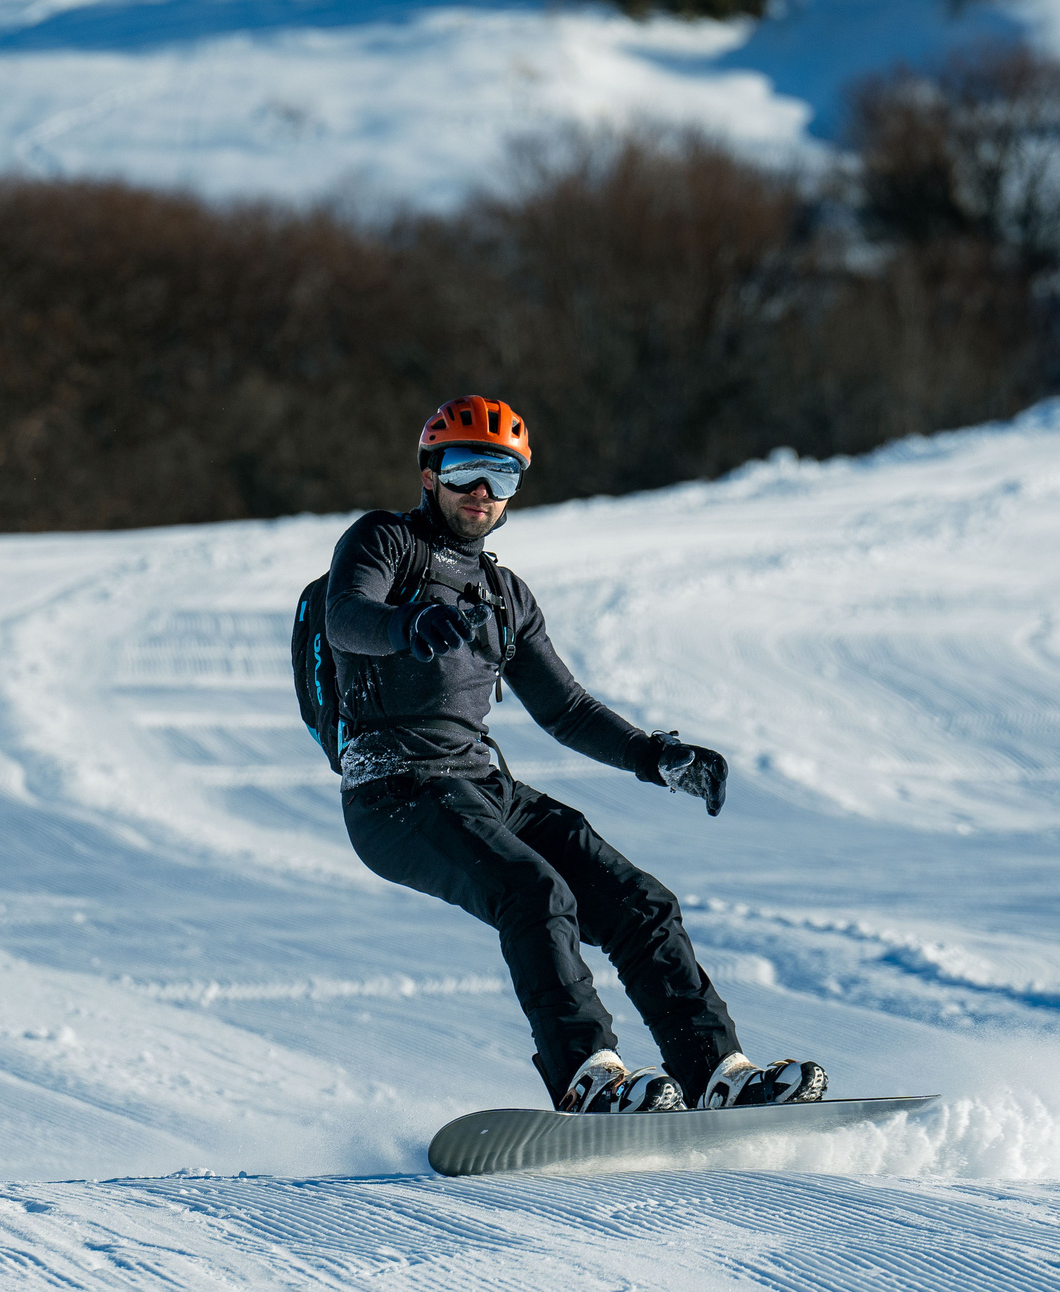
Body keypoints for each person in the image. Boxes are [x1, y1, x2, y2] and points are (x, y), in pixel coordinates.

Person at [324, 395, 824, 1114]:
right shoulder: (383, 543)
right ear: (429, 474)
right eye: (465, 470)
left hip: (476, 781)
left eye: (502, 476)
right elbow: (347, 616)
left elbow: (565, 708)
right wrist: (406, 623)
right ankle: (589, 1075)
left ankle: (718, 1073)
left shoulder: (504, 596)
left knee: (640, 902)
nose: (482, 493)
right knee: (534, 891)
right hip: (392, 789)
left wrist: (656, 757)